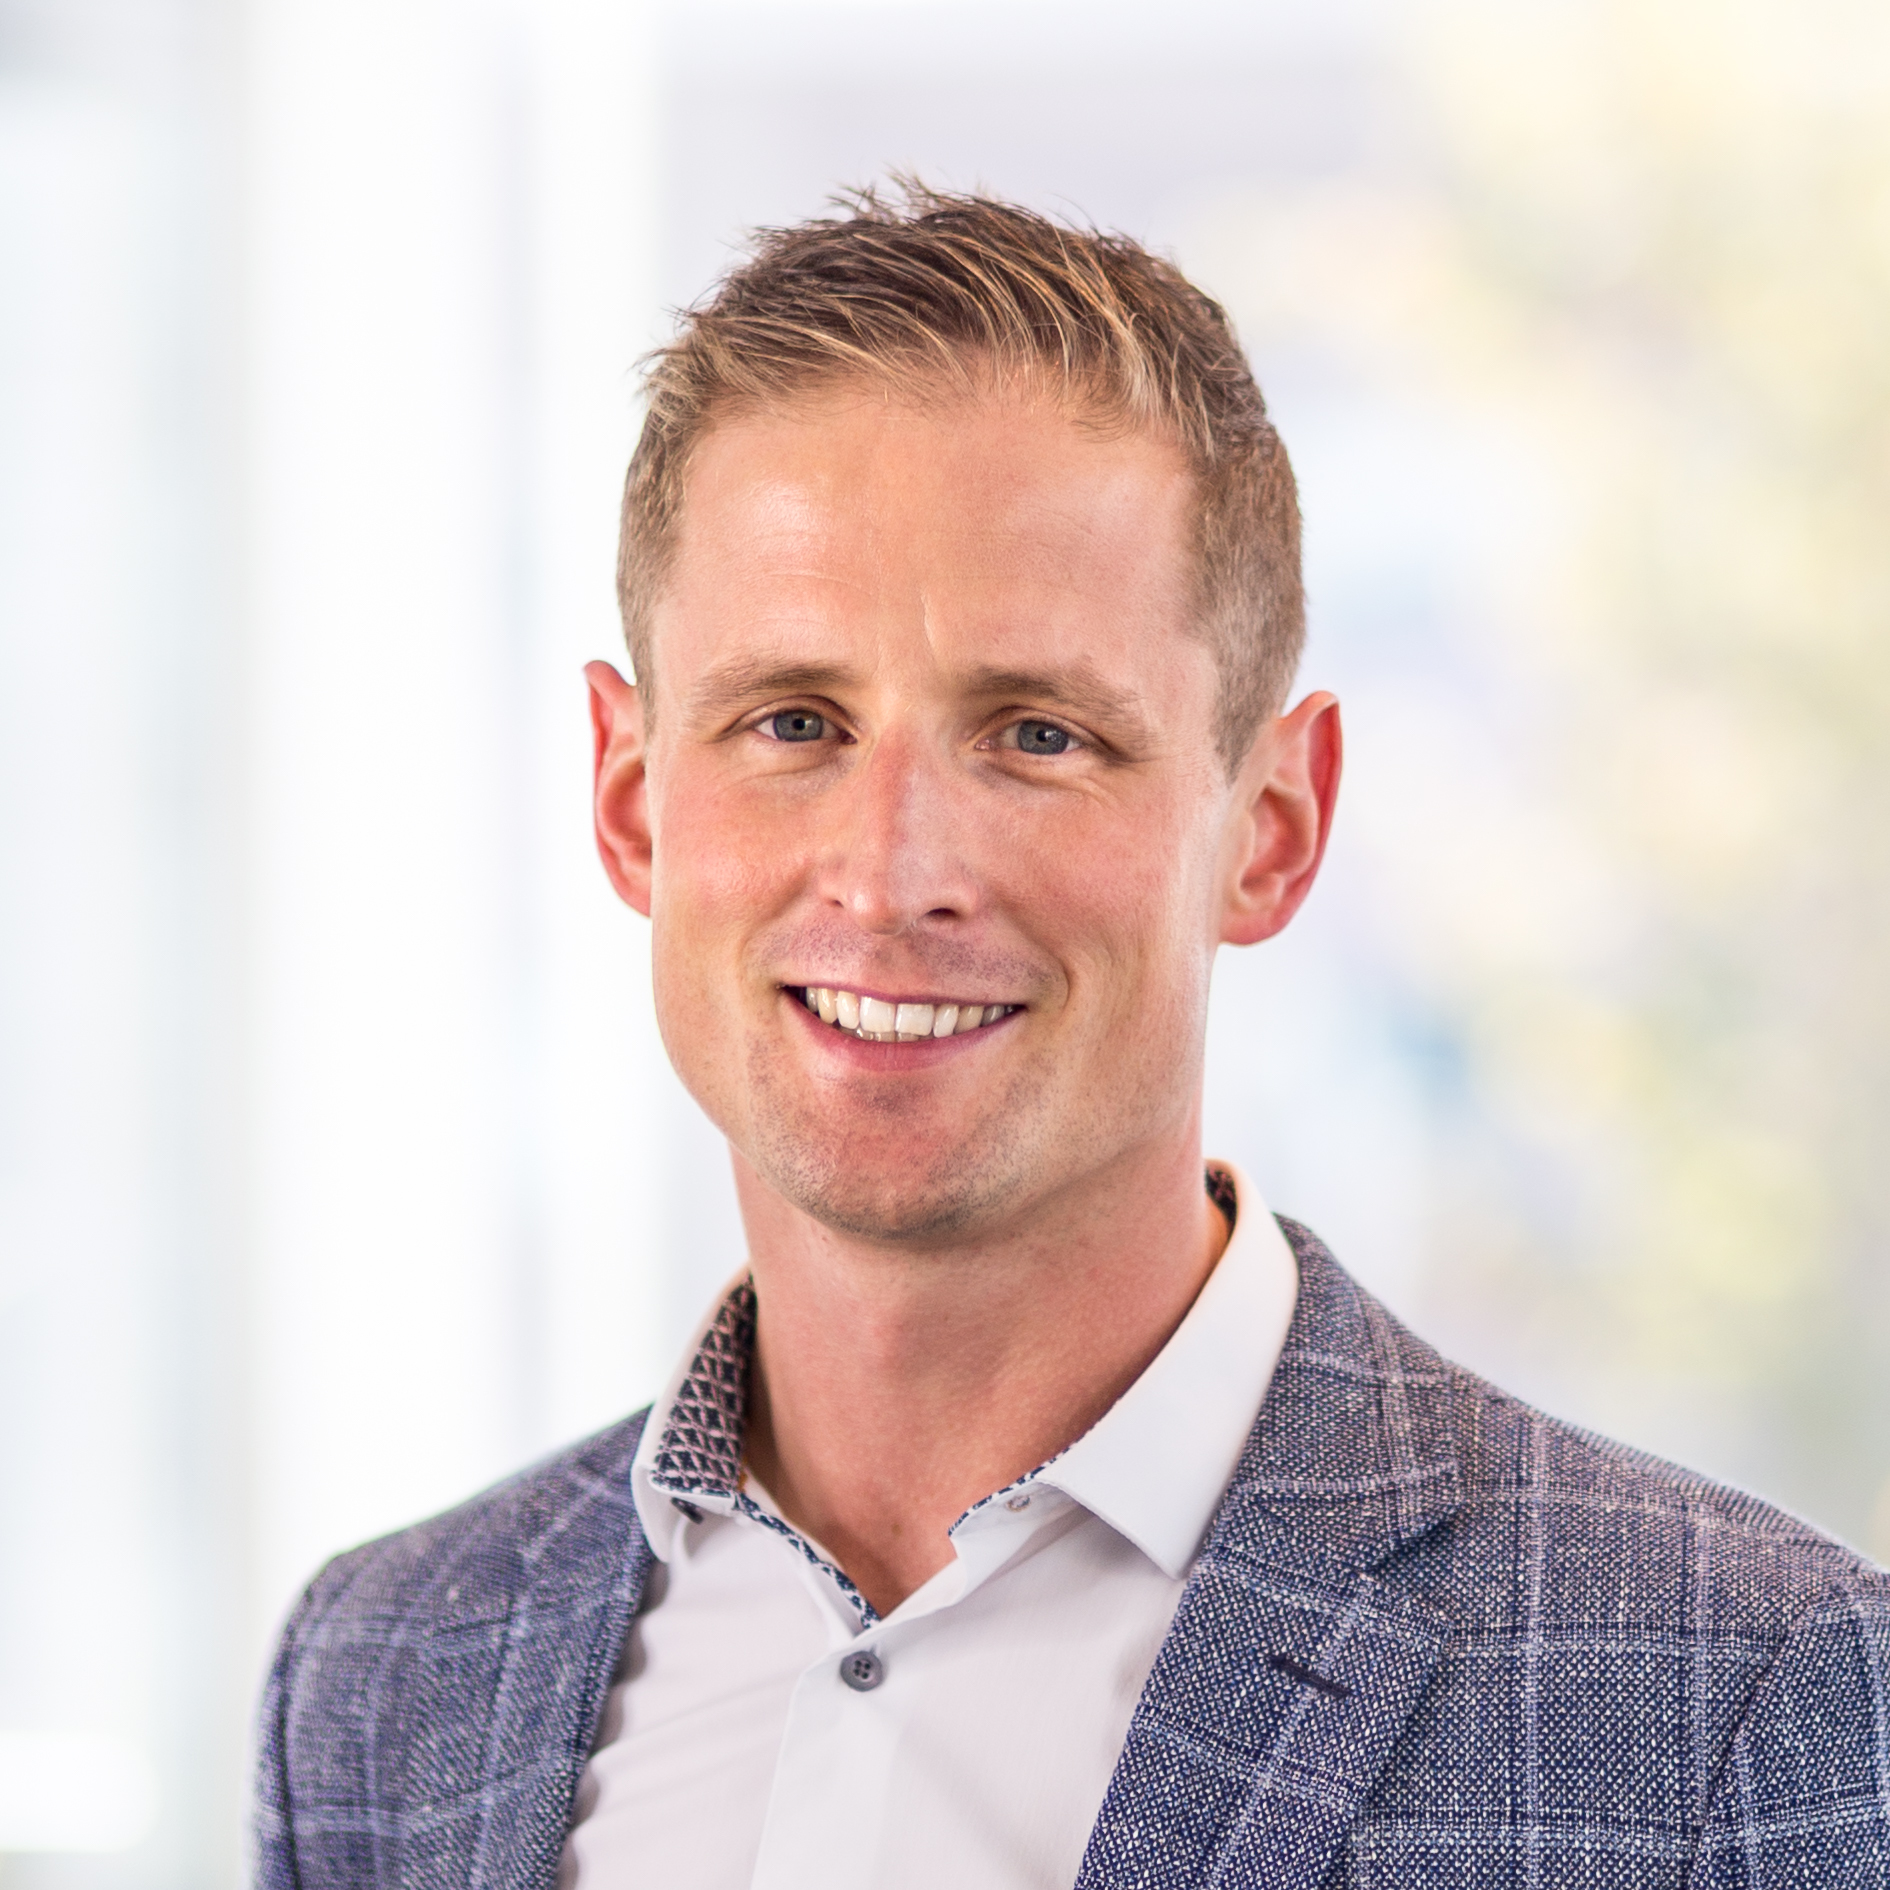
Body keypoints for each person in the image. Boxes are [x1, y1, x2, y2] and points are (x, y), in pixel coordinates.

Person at [253, 186, 1890, 1890]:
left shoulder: (1741, 1700)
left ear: (1270, 825)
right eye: (792, 720)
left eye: (1037, 734)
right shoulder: (382, 1684)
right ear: (627, 796)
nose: (891, 870)